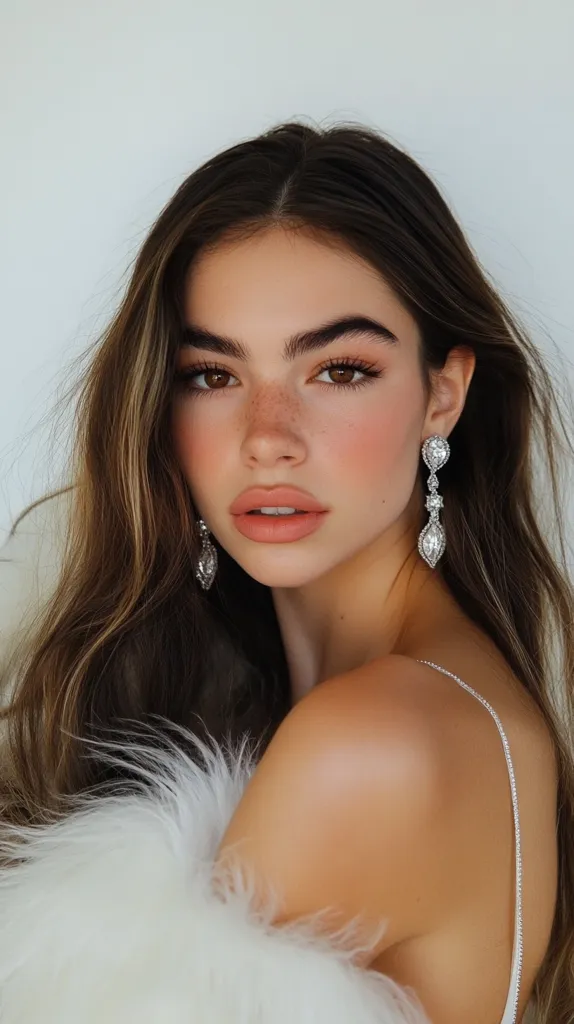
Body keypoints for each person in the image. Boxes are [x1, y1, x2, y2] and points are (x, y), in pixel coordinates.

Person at [0, 120, 571, 1024]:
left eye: (339, 369)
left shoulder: (370, 743)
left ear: (444, 393)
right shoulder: (441, 696)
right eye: (211, 375)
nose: (267, 436)